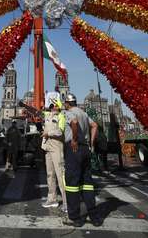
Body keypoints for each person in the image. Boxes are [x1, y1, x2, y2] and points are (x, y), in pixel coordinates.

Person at [62, 93, 102, 228]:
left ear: (67, 103)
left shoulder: (68, 112)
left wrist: (73, 139)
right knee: (87, 183)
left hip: (74, 148)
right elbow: (95, 125)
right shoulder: (84, 113)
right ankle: (94, 216)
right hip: (85, 148)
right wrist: (91, 143)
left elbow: (73, 122)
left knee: (72, 183)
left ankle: (74, 217)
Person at [41, 100, 67, 212]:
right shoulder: (48, 115)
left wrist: (48, 134)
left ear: (58, 106)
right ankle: (52, 199)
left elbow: (60, 131)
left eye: (54, 105)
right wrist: (25, 106)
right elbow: (36, 112)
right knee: (50, 174)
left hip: (57, 147)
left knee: (60, 174)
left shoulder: (61, 116)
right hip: (47, 147)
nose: (52, 107)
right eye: (51, 105)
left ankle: (67, 201)